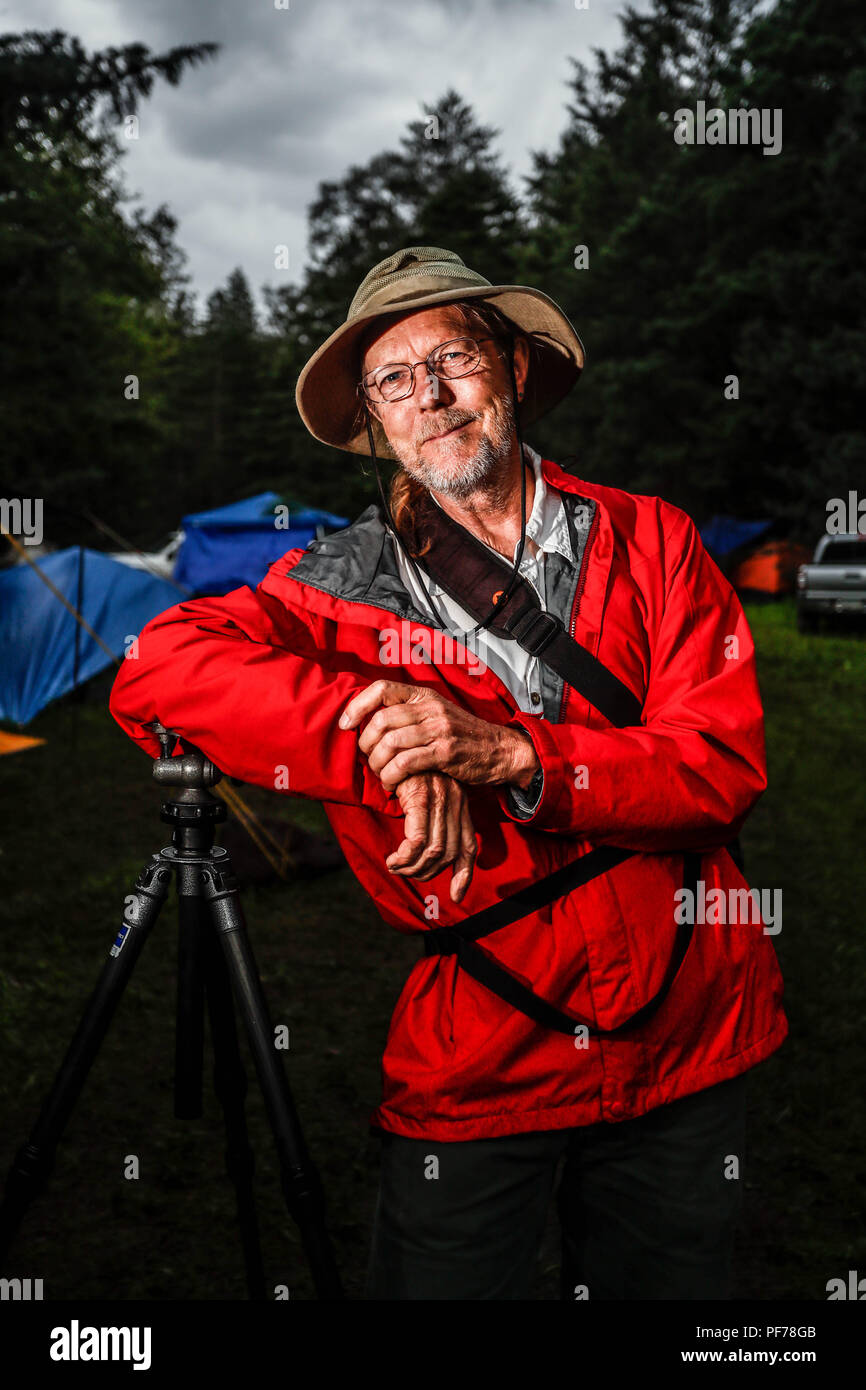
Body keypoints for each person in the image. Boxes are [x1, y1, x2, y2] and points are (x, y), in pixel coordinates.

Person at [109, 245, 788, 1301]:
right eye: (392, 379)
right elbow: (157, 666)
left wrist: (505, 750)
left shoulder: (651, 539)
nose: (428, 396)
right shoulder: (332, 581)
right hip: (483, 1054)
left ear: (512, 368)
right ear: (373, 421)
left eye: (454, 358)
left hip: (687, 1033)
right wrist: (383, 733)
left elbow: (717, 766)